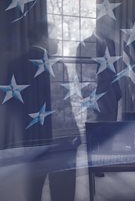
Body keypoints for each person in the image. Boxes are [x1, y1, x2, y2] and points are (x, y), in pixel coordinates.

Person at [7, 22, 80, 201]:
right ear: (44, 38)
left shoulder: (14, 64)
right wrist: (75, 134)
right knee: (63, 190)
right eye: (55, 37)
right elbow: (63, 106)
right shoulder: (57, 65)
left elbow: (12, 106)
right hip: (59, 138)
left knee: (33, 189)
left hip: (31, 137)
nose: (57, 42)